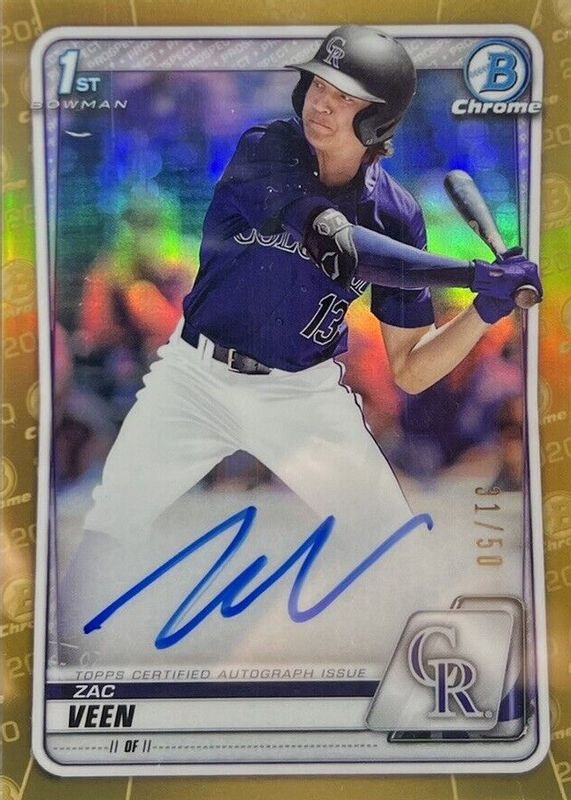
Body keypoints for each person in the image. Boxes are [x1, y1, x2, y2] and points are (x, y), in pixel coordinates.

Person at [61, 26, 541, 644]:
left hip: (301, 396)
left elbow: (412, 368)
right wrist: (470, 272)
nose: (321, 102)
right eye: (318, 85)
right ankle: (62, 662)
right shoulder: (267, 149)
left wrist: (484, 307)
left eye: (343, 95)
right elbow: (336, 240)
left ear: (378, 117)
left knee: (397, 549)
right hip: (194, 380)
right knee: (112, 522)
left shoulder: (397, 214)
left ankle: (440, 677)